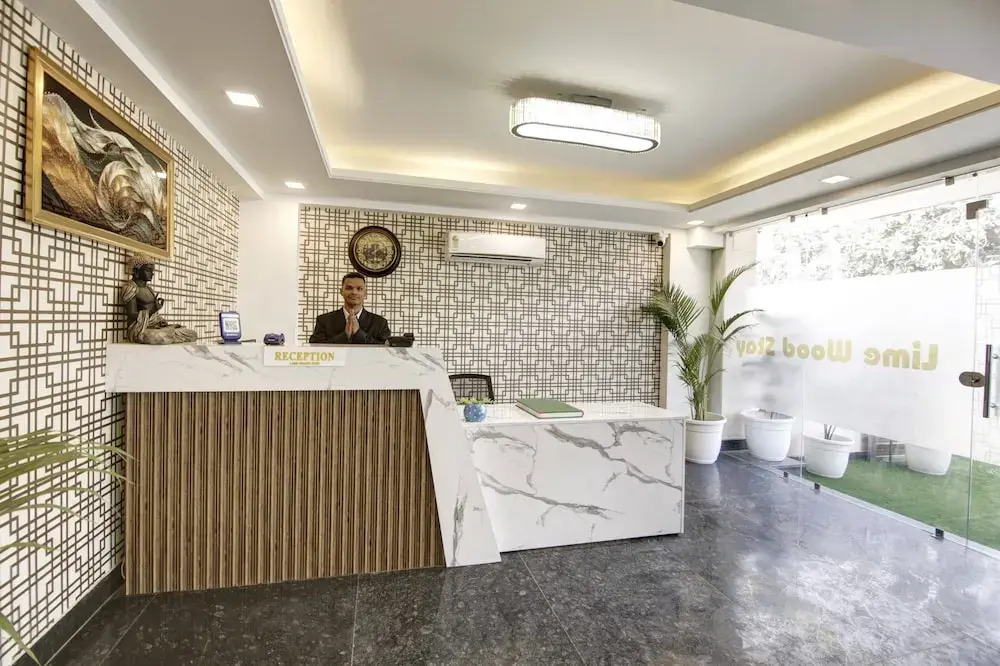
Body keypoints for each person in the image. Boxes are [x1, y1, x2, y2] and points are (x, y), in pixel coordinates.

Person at [309, 272, 391, 344]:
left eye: (359, 289)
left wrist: (359, 333)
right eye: (349, 288)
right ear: (341, 291)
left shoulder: (380, 323)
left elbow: (386, 350)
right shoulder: (324, 321)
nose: (354, 292)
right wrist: (344, 336)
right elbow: (315, 347)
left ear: (365, 293)